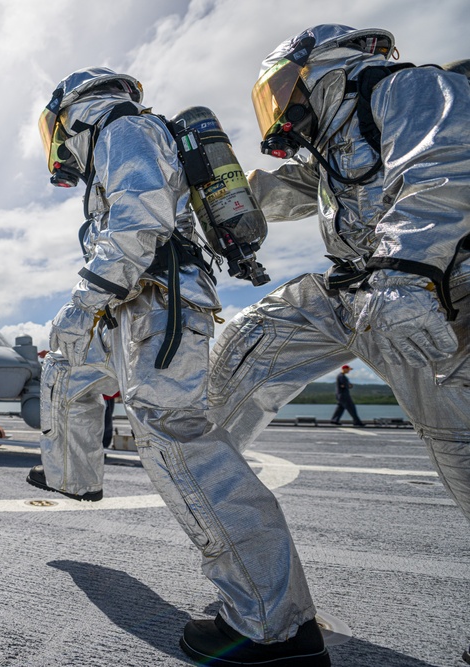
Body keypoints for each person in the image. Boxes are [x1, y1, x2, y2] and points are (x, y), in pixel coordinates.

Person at [31, 67, 328, 665]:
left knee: (176, 440)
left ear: (71, 111)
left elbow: (141, 223)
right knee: (65, 369)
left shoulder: (122, 128)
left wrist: (83, 300)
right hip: (136, 299)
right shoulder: (115, 140)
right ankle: (72, 476)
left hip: (157, 300)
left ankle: (274, 625)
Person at [205, 24, 470, 664]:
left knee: (462, 450)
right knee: (243, 346)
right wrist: (211, 210)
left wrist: (409, 268)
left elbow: (447, 164)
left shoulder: (408, 89)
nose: (276, 111)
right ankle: (263, 606)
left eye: (277, 92)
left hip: (436, 292)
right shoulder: (328, 152)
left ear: (317, 71)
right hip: (352, 291)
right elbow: (271, 195)